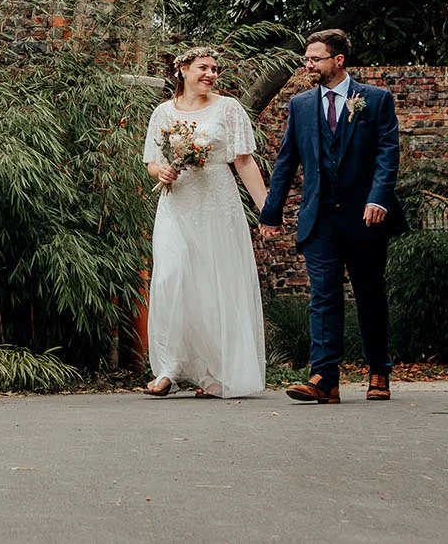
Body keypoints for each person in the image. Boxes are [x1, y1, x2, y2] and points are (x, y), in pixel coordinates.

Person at [259, 28, 408, 404]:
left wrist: (379, 200)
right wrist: (271, 213)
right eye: (306, 59)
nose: (307, 65)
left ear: (338, 61)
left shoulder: (375, 100)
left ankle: (378, 371)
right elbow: (286, 162)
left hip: (365, 216)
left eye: (314, 59)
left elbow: (387, 155)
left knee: (370, 294)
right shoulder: (301, 105)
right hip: (320, 217)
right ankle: (325, 377)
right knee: (323, 296)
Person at [140, 46, 269, 398]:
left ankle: (214, 374)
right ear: (182, 69)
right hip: (177, 204)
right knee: (171, 279)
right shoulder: (162, 112)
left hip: (216, 202)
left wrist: (266, 209)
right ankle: (169, 368)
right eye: (203, 67)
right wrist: (161, 170)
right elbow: (152, 160)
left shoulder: (229, 109)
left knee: (214, 286)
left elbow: (243, 161)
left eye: (214, 69)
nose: (210, 74)